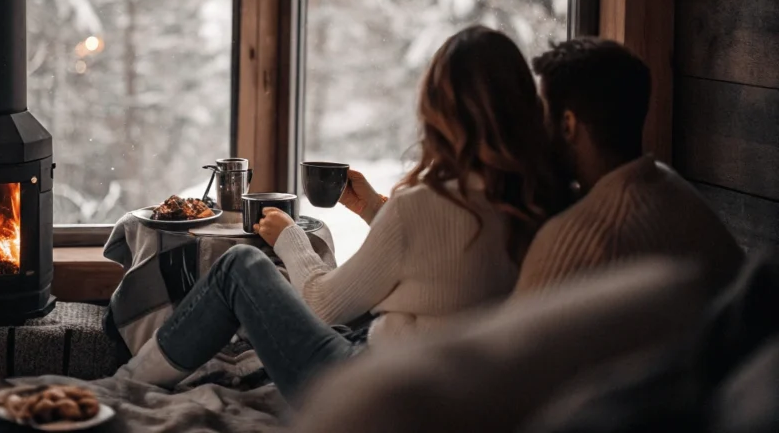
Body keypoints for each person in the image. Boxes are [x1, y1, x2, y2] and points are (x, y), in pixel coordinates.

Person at [114, 26, 570, 402]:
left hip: (367, 390)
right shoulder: (542, 200)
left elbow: (321, 302)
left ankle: (125, 386)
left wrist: (289, 237)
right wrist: (374, 209)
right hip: (438, 380)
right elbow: (447, 269)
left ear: (439, 112)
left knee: (240, 265)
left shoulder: (423, 206)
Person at [515, 37, 744, 295]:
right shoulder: (676, 192)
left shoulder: (572, 244)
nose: (537, 129)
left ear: (568, 124)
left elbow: (509, 335)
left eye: (544, 113)